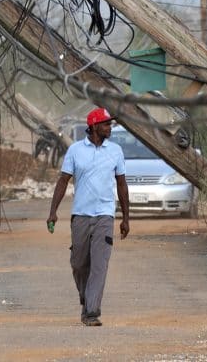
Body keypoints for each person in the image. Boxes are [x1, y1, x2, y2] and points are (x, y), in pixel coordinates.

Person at [46, 107, 130, 327]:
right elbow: (63, 180)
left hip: (105, 215)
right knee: (79, 263)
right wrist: (53, 211)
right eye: (105, 124)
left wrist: (126, 218)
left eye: (110, 124)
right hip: (80, 215)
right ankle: (86, 296)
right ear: (93, 127)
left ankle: (91, 312)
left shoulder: (116, 151)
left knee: (100, 265)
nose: (109, 128)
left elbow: (121, 184)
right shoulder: (75, 150)